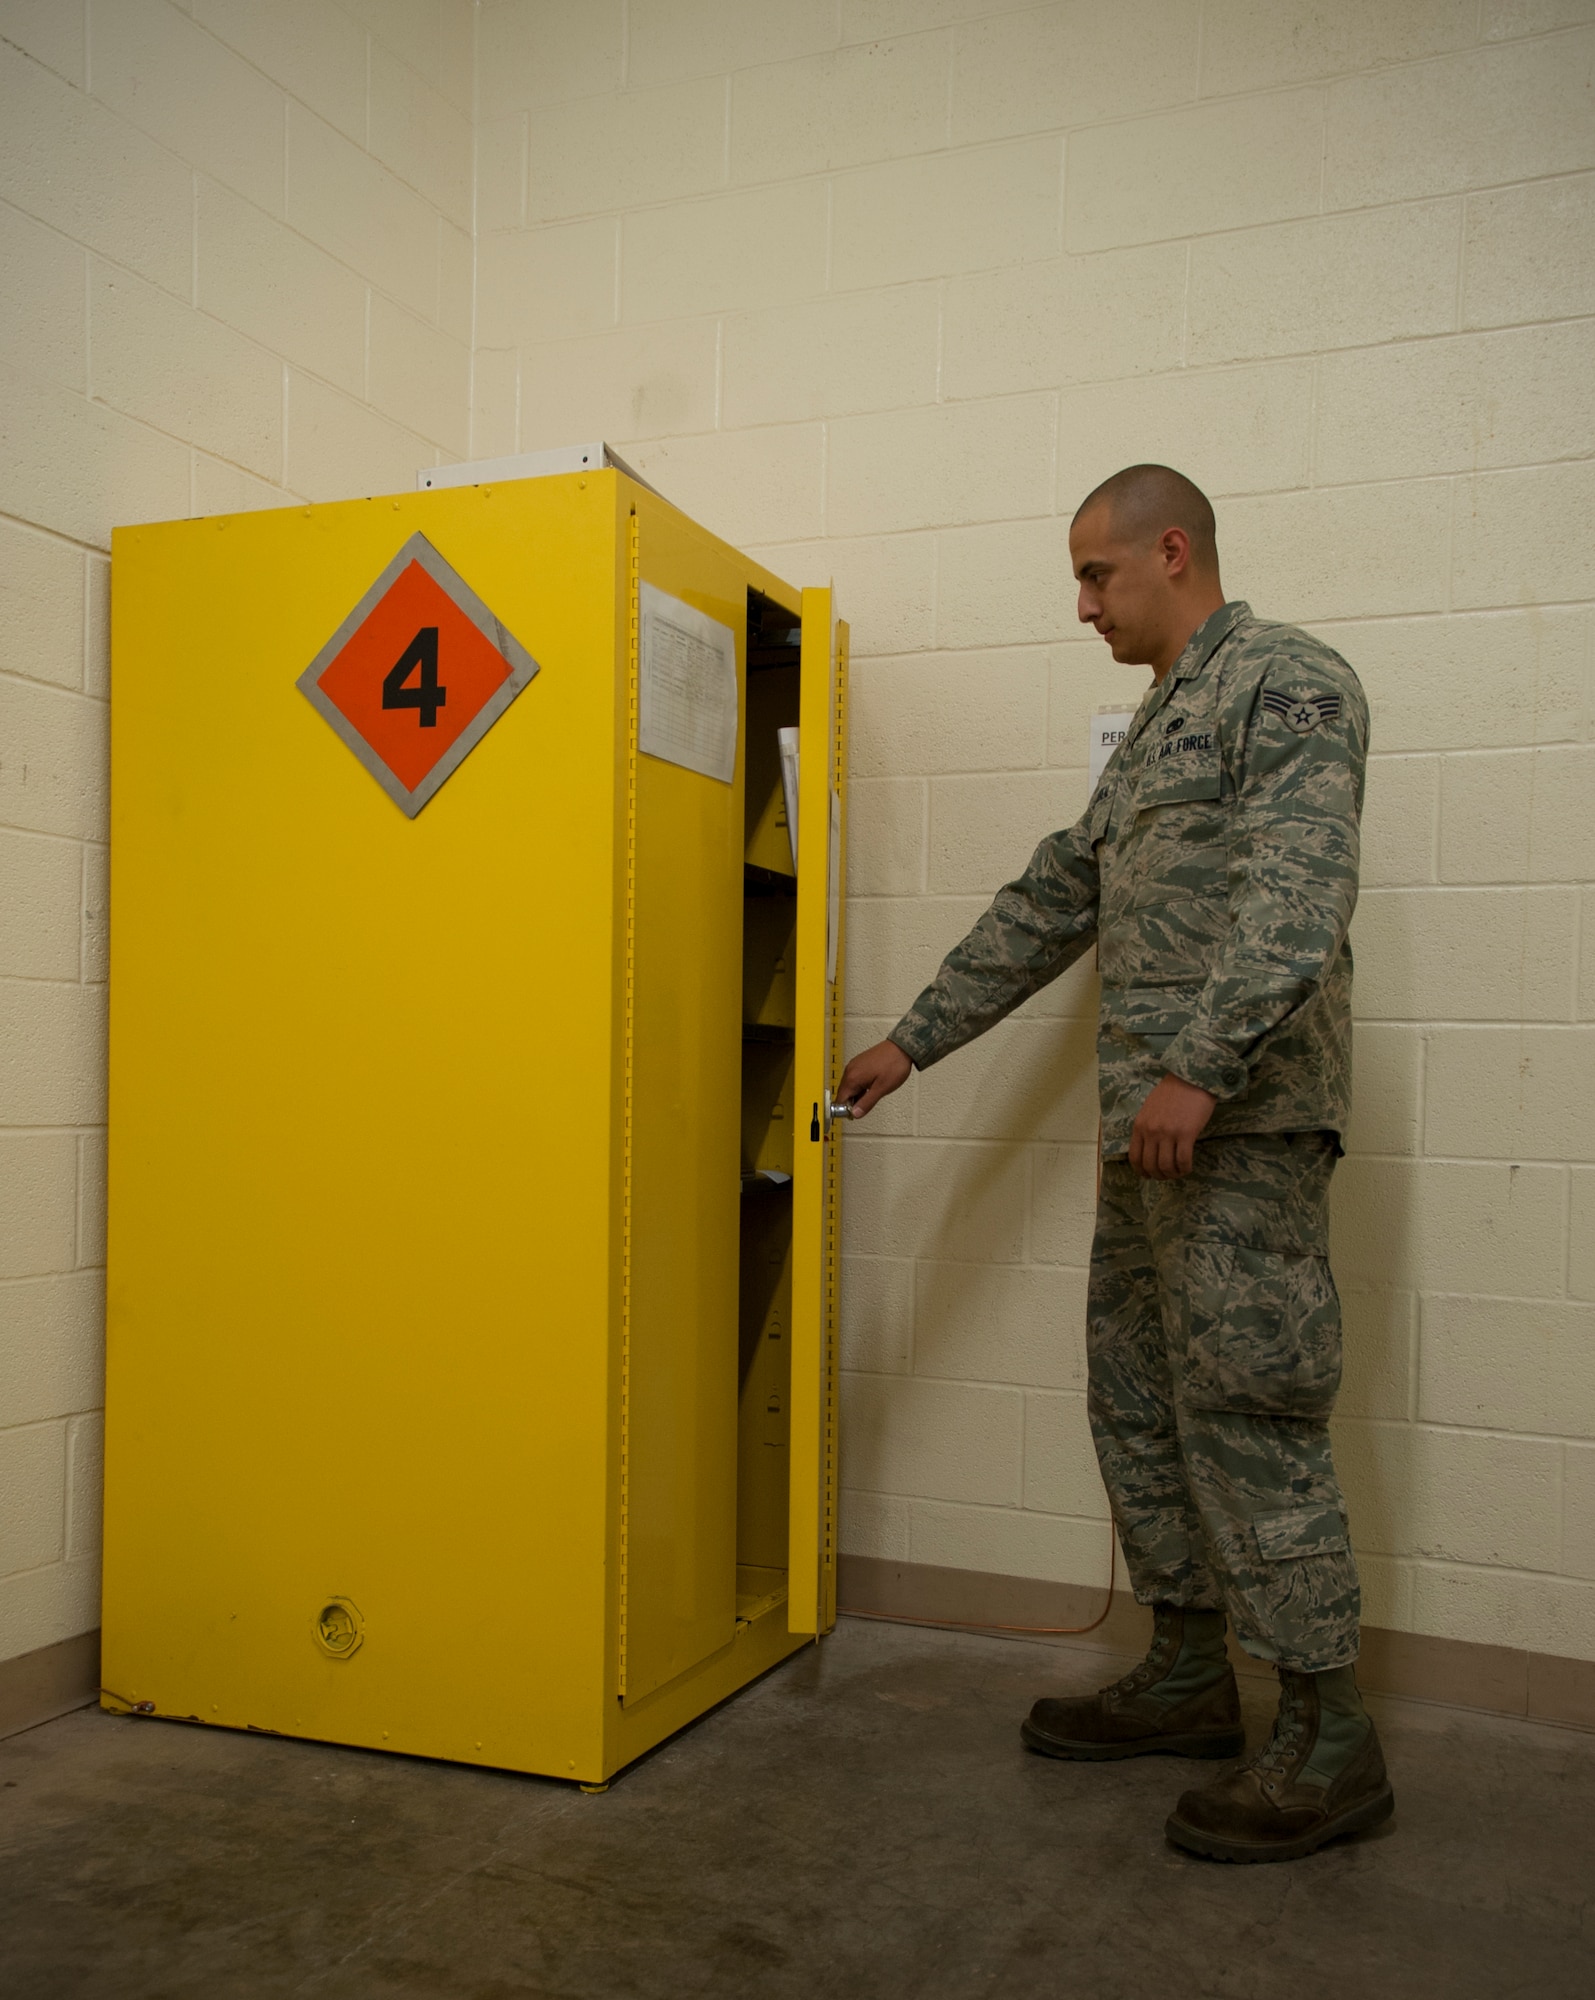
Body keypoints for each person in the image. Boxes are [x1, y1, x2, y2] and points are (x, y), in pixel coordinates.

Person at [837, 464, 1392, 1864]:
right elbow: (1052, 898)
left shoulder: (1288, 682)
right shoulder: (1153, 738)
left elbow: (1301, 888)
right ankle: (1192, 1672)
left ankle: (1329, 1741)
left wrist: (1201, 1066)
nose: (1082, 605)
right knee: (1139, 1404)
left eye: (1097, 577)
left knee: (1250, 1415)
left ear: (1173, 549)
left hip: (1240, 1132)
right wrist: (914, 1039)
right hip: (1147, 1148)